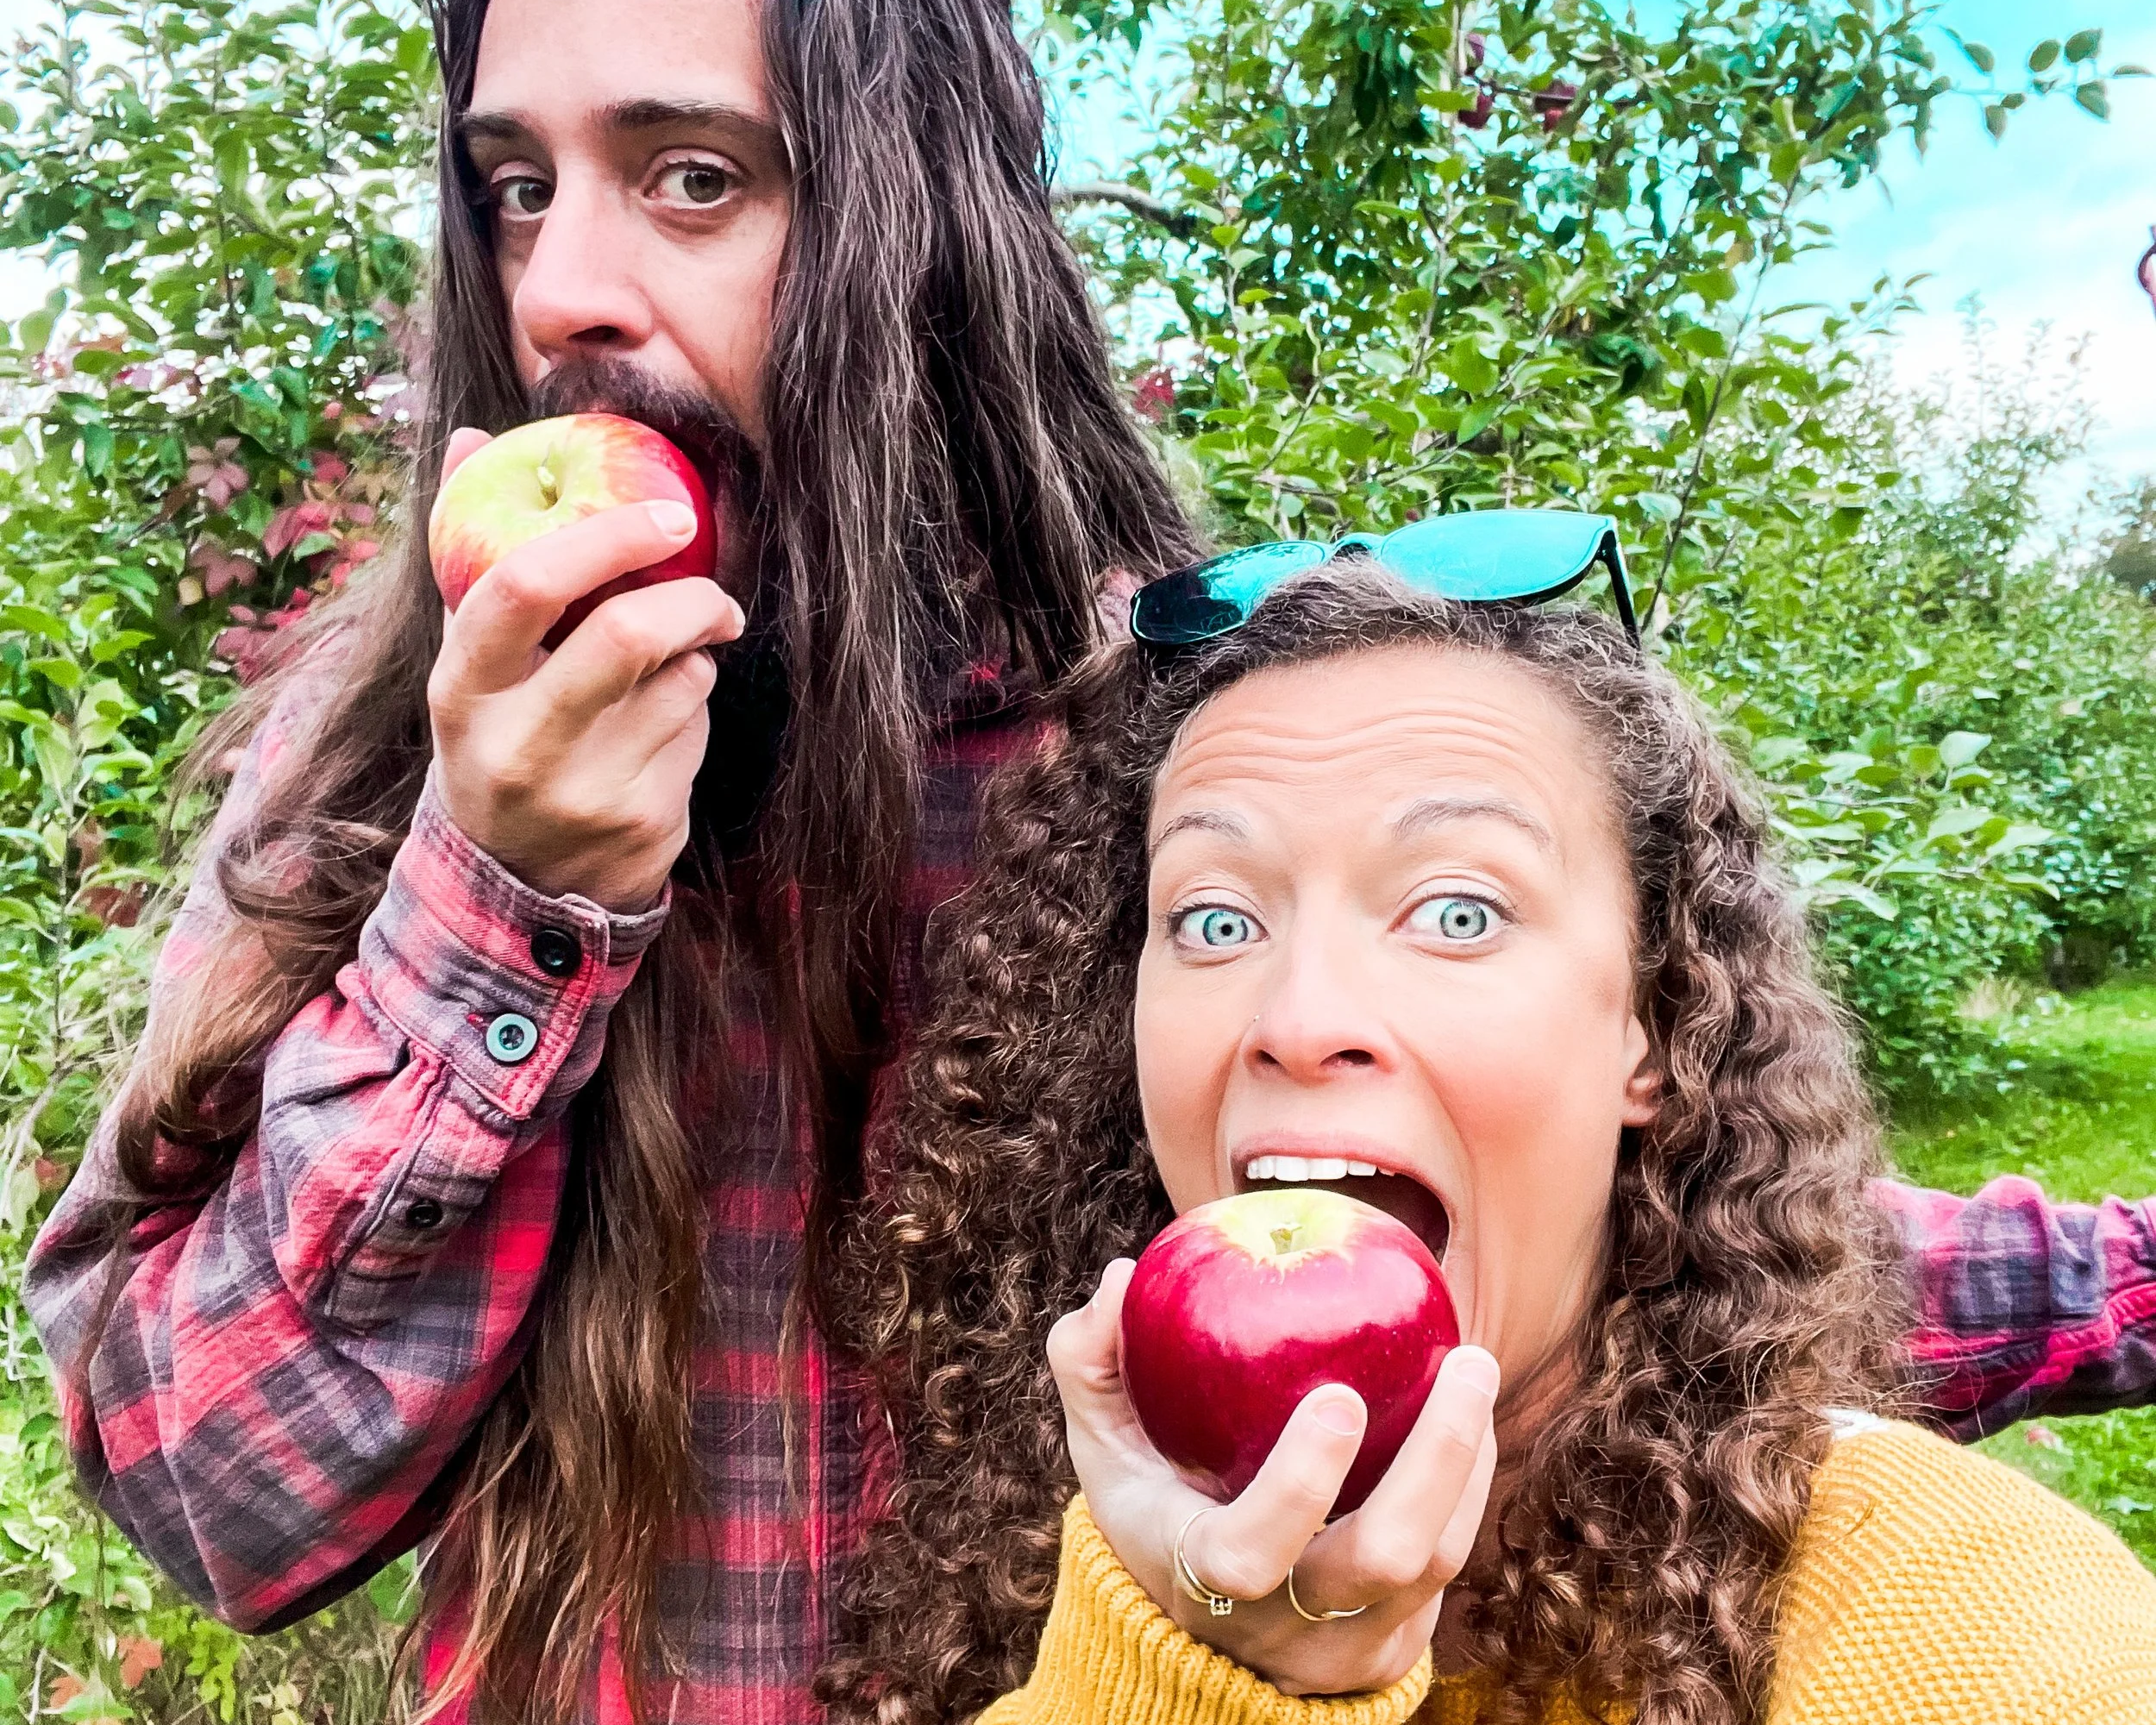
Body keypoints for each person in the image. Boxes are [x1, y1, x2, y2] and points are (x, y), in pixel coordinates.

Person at [19, 0, 2156, 1720]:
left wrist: (2120, 1278)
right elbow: (212, 1488)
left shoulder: (1152, 716)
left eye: (694, 177)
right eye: (513, 186)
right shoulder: (400, 753)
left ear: (911, 222)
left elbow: (1617, 1214)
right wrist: (501, 900)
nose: (563, 286)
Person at [822, 568, 2156, 1725]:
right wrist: (1178, 1669)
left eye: (1458, 912)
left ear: (1654, 1022)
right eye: (1216, 921)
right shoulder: (1036, 1576)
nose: (1299, 1021)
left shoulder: (1957, 1618)